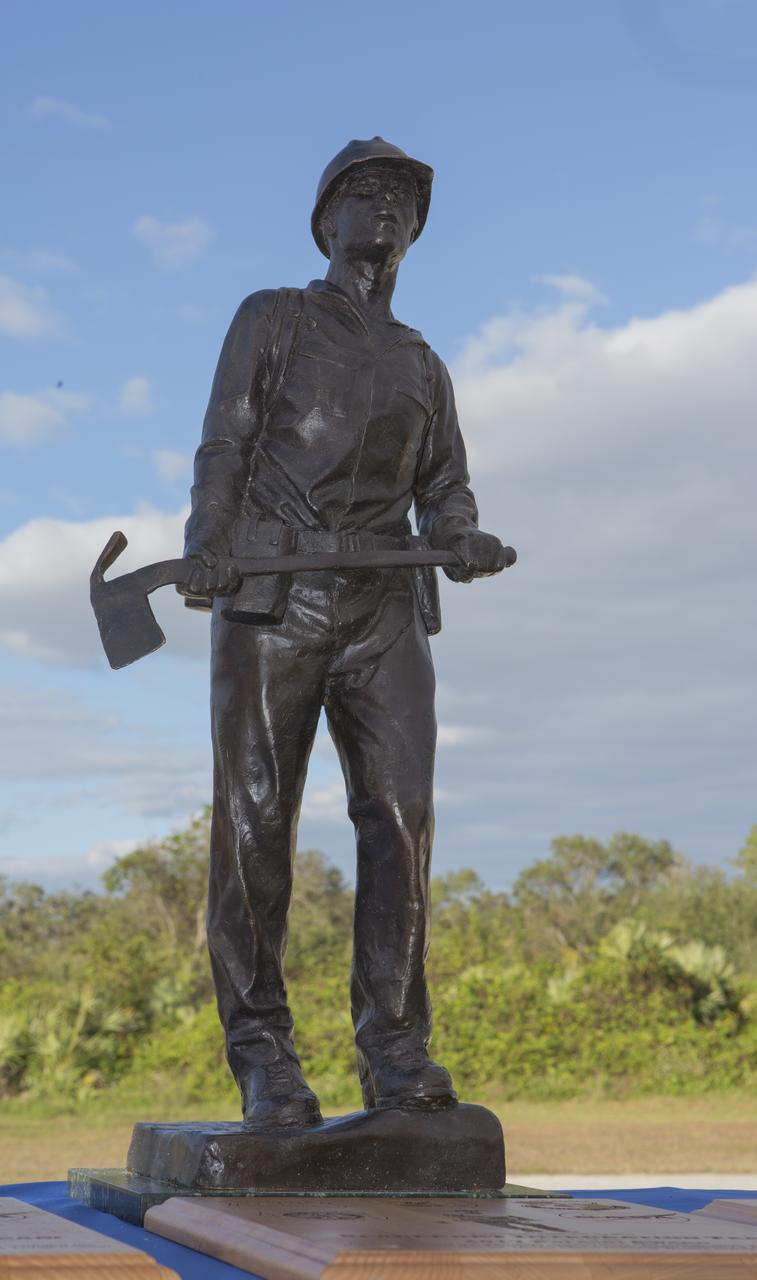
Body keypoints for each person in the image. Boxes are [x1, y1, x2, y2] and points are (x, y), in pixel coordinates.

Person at [181, 138, 512, 1130]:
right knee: (254, 825)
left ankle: (396, 1048)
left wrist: (457, 536)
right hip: (274, 595)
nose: (384, 210)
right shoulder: (273, 316)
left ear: (414, 232)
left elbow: (443, 483)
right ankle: (263, 1056)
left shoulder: (422, 363)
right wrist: (207, 539)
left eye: (401, 201)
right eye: (364, 195)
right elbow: (224, 442)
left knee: (402, 821)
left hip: (383, 604)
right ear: (325, 220)